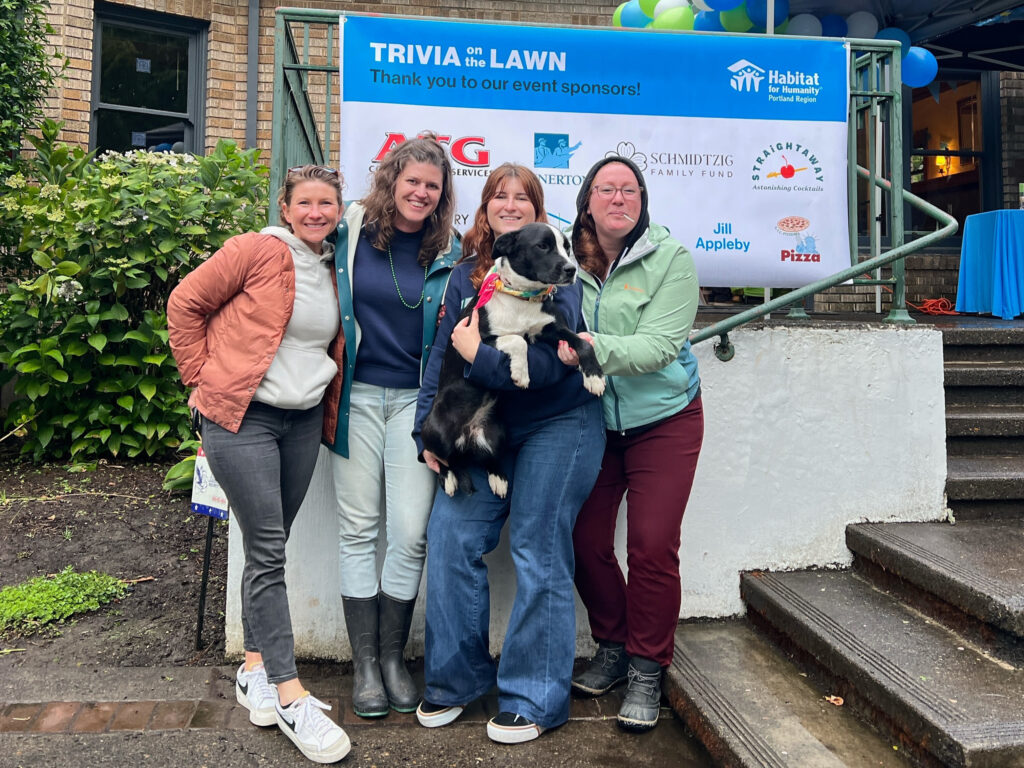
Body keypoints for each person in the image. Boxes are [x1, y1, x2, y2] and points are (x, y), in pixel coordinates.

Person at [411, 163, 606, 744]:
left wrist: (484, 356)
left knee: (537, 545)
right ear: (489, 210)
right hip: (489, 428)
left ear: (539, 212)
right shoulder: (467, 277)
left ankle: (534, 697)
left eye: (524, 197)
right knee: (450, 536)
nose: (512, 203)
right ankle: (456, 680)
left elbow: (550, 367)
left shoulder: (558, 273)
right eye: (501, 195)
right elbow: (444, 355)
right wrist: (428, 430)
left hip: (558, 420)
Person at [167, 165, 350, 763]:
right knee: (269, 548)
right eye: (307, 202)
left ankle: (252, 668)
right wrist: (204, 382)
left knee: (270, 543)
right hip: (241, 419)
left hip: (300, 421)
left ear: (338, 209)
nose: (317, 212)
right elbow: (184, 304)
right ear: (287, 206)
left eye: (328, 203)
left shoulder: (333, 269)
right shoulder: (255, 251)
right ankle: (292, 693)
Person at [559, 156, 704, 733]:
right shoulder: (566, 256)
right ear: (588, 201)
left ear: (641, 199)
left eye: (629, 189)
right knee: (583, 537)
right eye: (606, 189)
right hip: (593, 419)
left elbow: (658, 346)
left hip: (664, 419)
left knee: (650, 544)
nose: (618, 198)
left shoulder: (672, 259)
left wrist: (592, 347)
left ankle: (647, 667)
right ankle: (613, 643)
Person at [322, 134, 459, 718]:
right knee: (359, 531)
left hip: (414, 406)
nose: (422, 193)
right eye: (413, 182)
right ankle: (366, 668)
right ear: (391, 181)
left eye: (433, 185)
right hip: (353, 398)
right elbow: (294, 250)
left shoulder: (448, 247)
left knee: (408, 533)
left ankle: (394, 658)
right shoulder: (350, 229)